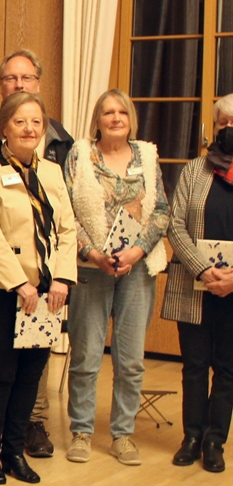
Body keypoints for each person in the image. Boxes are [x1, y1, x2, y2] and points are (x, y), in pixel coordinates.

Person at [0, 49, 75, 458]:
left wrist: (60, 278)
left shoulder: (54, 172)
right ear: (3, 129)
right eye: (20, 122)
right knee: (1, 372)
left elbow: (66, 228)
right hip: (3, 287)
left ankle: (14, 452)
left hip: (48, 290)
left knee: (32, 373)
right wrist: (21, 283)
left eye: (36, 123)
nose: (29, 129)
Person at [63, 89, 170, 466]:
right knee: (87, 356)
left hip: (136, 269)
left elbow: (161, 212)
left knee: (130, 360)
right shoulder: (80, 154)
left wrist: (137, 250)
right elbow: (66, 212)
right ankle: (81, 431)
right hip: (92, 268)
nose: (115, 118)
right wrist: (91, 252)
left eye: (121, 111)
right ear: (97, 119)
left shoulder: (147, 155)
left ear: (131, 118)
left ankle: (123, 435)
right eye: (107, 112)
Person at [160, 94, 233, 473]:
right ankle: (191, 436)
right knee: (194, 365)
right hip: (194, 286)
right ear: (216, 127)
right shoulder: (194, 170)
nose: (230, 130)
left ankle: (214, 440)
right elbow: (175, 224)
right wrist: (205, 271)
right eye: (225, 124)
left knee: (228, 367)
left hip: (232, 291)